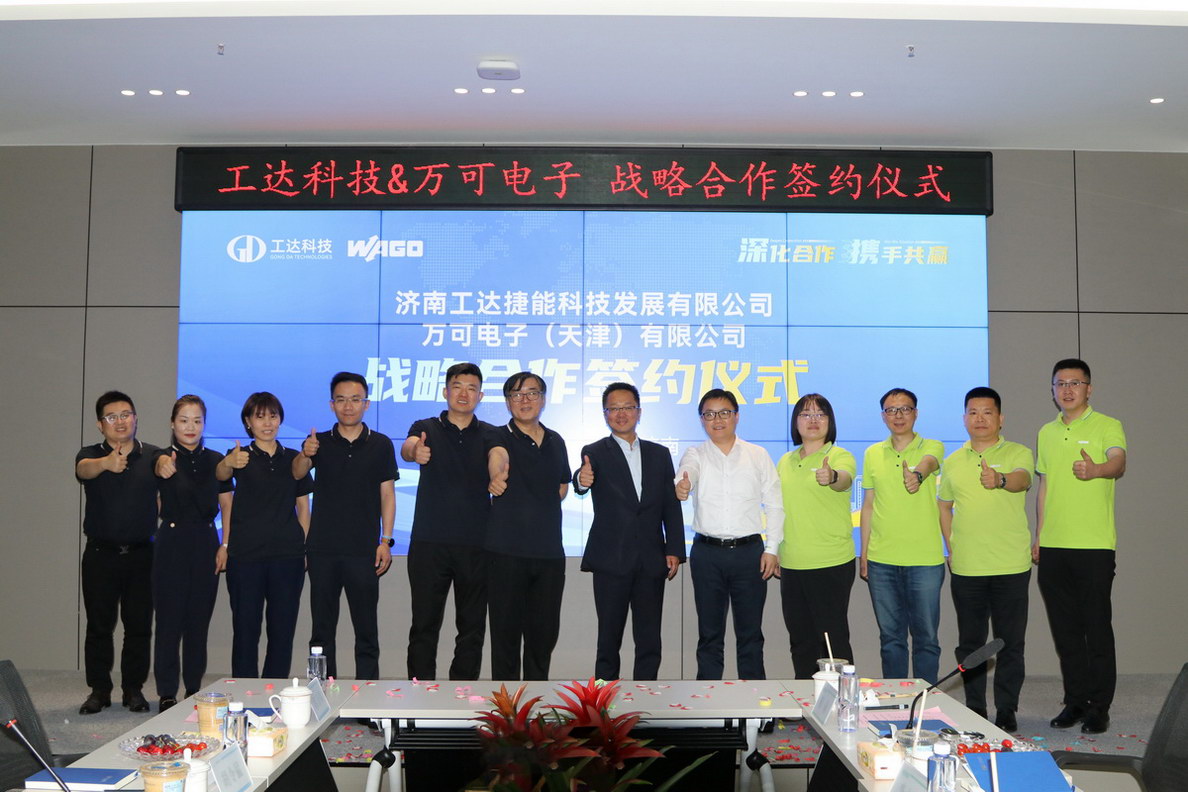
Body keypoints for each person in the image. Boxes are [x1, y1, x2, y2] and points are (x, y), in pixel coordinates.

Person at [1036, 358, 1127, 735]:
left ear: (1089, 388)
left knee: (1096, 628)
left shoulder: (1108, 425)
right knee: (1066, 631)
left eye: (1075, 383)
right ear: (1053, 390)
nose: (1067, 389)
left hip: (1094, 546)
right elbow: (1044, 487)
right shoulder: (1046, 432)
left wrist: (1097, 470)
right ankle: (1075, 701)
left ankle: (1099, 707)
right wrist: (1039, 535)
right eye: (1060, 383)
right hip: (1053, 546)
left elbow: (1118, 463)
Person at [573, 382, 686, 681]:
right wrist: (581, 481)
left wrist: (674, 548)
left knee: (649, 640)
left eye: (627, 407)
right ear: (605, 414)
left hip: (651, 558)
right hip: (611, 559)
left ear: (639, 411)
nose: (621, 414)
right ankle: (602, 703)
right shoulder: (594, 451)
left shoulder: (659, 454)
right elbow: (582, 479)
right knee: (608, 640)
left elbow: (670, 505)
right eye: (614, 408)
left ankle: (646, 699)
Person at [938, 387, 1033, 733]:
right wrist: (952, 547)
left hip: (1011, 564)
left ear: (1000, 418)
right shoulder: (953, 461)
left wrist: (1000, 479)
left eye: (987, 412)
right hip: (968, 567)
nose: (980, 419)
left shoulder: (1019, 452)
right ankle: (975, 708)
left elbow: (1022, 480)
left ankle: (1007, 709)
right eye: (973, 412)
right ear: (964, 418)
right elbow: (944, 506)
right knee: (971, 643)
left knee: (1011, 643)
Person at [293, 371, 398, 680]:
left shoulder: (380, 444)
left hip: (364, 551)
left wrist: (386, 540)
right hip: (322, 550)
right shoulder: (318, 442)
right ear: (332, 404)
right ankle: (320, 693)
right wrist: (305, 453)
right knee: (321, 632)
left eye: (355, 399)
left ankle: (369, 694)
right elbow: (297, 473)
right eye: (341, 400)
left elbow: (388, 494)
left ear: (366, 403)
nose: (348, 406)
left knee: (366, 631)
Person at [676, 388, 782, 680]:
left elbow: (774, 504)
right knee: (709, 635)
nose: (717, 420)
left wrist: (772, 549)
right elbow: (687, 472)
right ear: (702, 420)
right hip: (707, 554)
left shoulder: (757, 455)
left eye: (724, 412)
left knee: (751, 635)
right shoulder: (695, 453)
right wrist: (682, 485)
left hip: (750, 554)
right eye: (709, 414)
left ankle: (756, 701)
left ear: (736, 416)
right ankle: (708, 701)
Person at [402, 362, 493, 681]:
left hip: (477, 544)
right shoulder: (425, 426)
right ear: (445, 391)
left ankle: (462, 694)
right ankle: (419, 691)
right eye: (457, 386)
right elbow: (408, 447)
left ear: (480, 395)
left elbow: (500, 458)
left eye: (471, 388)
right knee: (423, 625)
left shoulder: (491, 434)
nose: (464, 394)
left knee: (472, 627)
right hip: (429, 543)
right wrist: (415, 451)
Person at [74, 391, 159, 715]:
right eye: (112, 417)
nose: (120, 421)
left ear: (135, 418)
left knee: (138, 626)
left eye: (126, 414)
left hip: (142, 555)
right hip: (101, 555)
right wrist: (107, 463)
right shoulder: (90, 454)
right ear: (100, 425)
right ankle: (99, 690)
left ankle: (133, 689)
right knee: (99, 626)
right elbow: (83, 470)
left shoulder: (152, 455)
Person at [218, 392, 312, 681]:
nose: (267, 423)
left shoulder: (293, 459)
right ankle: (244, 691)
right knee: (245, 631)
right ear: (248, 422)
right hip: (245, 557)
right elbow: (220, 474)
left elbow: (303, 508)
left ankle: (274, 689)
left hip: (287, 557)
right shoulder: (238, 456)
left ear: (280, 419)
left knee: (282, 632)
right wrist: (229, 462)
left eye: (273, 416)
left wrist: (303, 547)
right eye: (259, 417)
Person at [484, 371, 571, 680]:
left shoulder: (556, 440)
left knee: (542, 639)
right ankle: (506, 706)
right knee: (505, 639)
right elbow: (497, 457)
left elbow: (562, 485)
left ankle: (536, 703)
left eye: (532, 393)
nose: (525, 400)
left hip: (549, 555)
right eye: (517, 394)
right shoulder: (497, 436)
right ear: (508, 402)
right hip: (506, 553)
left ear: (543, 400)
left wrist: (539, 506)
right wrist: (497, 476)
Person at [152, 395, 233, 711]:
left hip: (206, 541)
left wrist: (225, 545)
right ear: (172, 423)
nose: (191, 427)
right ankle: (166, 692)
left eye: (197, 421)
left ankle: (194, 688)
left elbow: (227, 505)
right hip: (171, 542)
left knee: (198, 623)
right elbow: (156, 478)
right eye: (184, 420)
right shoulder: (161, 457)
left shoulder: (216, 460)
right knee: (169, 622)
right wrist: (161, 465)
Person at [859, 388, 945, 683]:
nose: (898, 415)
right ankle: (894, 700)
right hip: (882, 560)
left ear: (915, 413)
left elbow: (929, 462)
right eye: (891, 410)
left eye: (905, 409)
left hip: (925, 560)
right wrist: (864, 553)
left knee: (926, 639)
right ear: (883, 416)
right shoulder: (872, 453)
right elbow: (868, 506)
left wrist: (917, 475)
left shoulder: (932, 446)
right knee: (891, 639)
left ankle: (925, 700)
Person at [776, 394, 858, 679]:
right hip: (792, 562)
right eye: (806, 414)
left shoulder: (839, 456)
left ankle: (841, 701)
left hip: (830, 562)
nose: (813, 420)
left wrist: (832, 476)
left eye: (820, 414)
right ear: (795, 422)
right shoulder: (785, 461)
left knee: (833, 643)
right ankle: (805, 700)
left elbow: (843, 479)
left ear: (829, 421)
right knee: (800, 643)